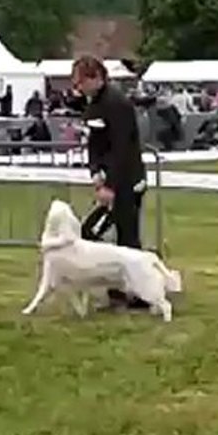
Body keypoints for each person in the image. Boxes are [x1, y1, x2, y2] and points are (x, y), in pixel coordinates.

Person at [71, 54, 148, 310]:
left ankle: (139, 293)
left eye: (81, 82)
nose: (77, 87)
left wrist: (110, 186)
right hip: (110, 179)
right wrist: (95, 171)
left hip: (128, 181)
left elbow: (121, 149)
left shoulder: (117, 104)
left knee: (127, 237)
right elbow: (94, 143)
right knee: (94, 233)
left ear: (96, 78)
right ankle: (118, 289)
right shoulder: (93, 104)